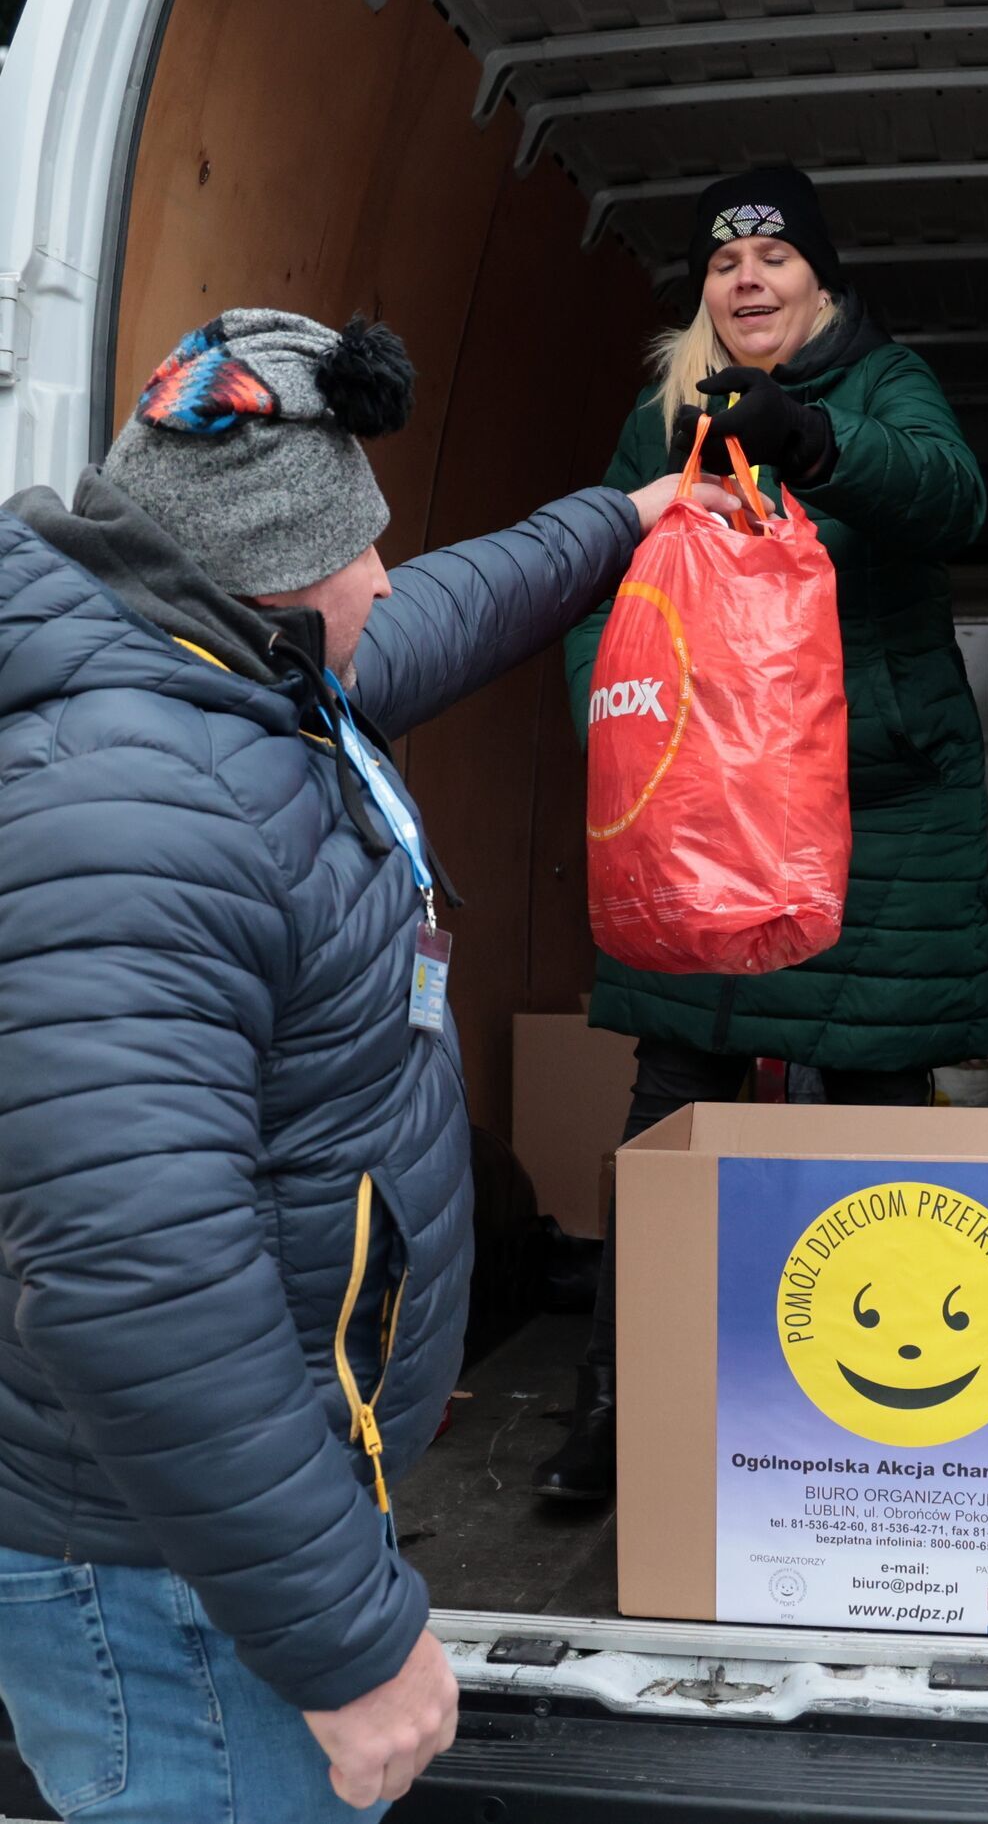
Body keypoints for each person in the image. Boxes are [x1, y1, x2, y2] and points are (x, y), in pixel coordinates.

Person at [0, 308, 740, 1821]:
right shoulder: (133, 813)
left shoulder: (227, 677)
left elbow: (437, 609)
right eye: (359, 549)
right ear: (270, 576)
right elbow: (134, 1275)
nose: (385, 576)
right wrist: (348, 1641)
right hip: (171, 1590)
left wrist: (629, 517)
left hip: (223, 1548)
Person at [534, 166, 988, 1504]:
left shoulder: (886, 382)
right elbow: (592, 588)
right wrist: (612, 728)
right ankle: (619, 1406)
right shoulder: (659, 417)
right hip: (701, 821)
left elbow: (953, 496)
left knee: (869, 1117)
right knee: (671, 1115)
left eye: (776, 258)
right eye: (725, 265)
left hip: (874, 820)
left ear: (822, 278)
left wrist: (815, 440)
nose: (748, 282)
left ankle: (860, 1411)